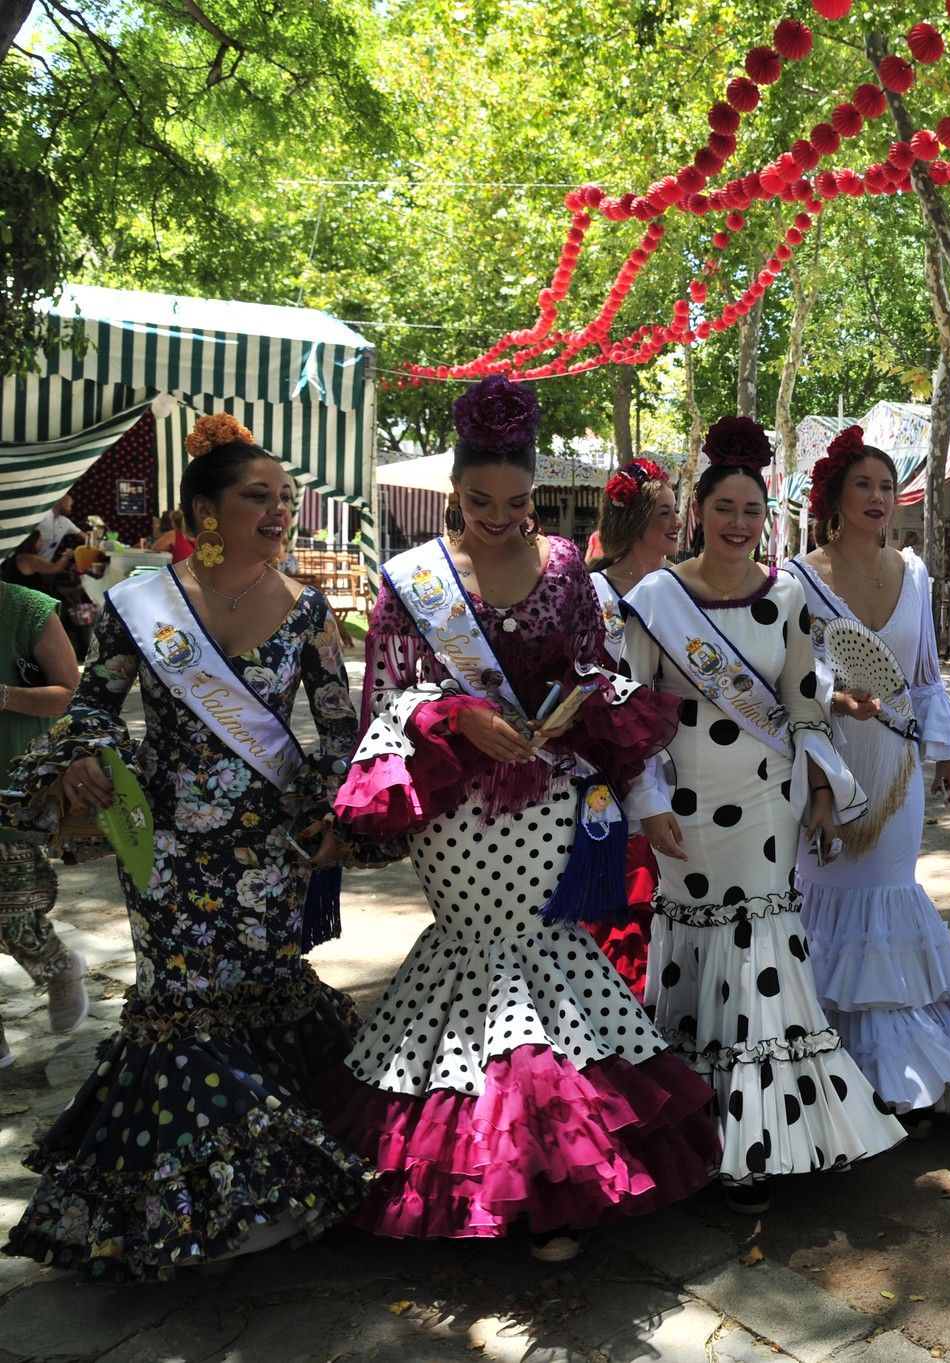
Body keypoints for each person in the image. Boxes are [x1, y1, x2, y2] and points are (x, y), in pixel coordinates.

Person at [317, 377, 719, 1263]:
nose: (499, 517)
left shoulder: (569, 568)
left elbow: (602, 666)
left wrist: (585, 705)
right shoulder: (409, 583)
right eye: (480, 501)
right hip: (456, 811)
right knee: (477, 953)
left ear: (537, 496)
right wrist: (456, 714)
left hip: (549, 796)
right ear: (455, 492)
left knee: (546, 954)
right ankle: (498, 1172)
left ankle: (555, 1180)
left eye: (518, 502)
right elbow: (384, 703)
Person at [0, 413, 371, 1281]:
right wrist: (85, 751)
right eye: (258, 498)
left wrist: (332, 815)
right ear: (205, 510)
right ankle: (196, 1210)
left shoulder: (309, 607)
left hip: (270, 853)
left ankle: (280, 1193)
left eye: (286, 497)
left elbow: (338, 726)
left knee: (263, 995)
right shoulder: (143, 604)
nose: (280, 511)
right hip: (165, 849)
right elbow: (94, 702)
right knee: (180, 1010)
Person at [621, 415, 903, 1215]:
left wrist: (820, 789)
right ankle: (707, 1129)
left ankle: (773, 1136)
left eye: (752, 511)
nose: (739, 524)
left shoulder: (785, 595)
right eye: (724, 509)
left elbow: (803, 705)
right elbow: (630, 715)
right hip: (685, 808)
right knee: (698, 946)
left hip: (769, 800)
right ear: (698, 511)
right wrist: (644, 806)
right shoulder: (654, 600)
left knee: (765, 949)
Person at [784, 426, 950, 1131]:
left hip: (898, 768)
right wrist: (831, 696)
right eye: (862, 484)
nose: (876, 497)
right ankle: (820, 1068)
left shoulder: (916, 574)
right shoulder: (795, 578)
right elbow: (787, 678)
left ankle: (905, 1074)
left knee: (890, 895)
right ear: (836, 495)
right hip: (823, 767)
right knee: (824, 893)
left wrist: (946, 749)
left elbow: (925, 674)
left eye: (886, 486)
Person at [584, 456, 685, 1001]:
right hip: (612, 762)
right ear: (633, 520)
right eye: (662, 512)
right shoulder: (593, 593)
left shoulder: (684, 587)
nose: (675, 522)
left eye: (676, 511)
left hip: (683, 759)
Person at [0, 580, 90, 1068]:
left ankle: (57, 967)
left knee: (13, 909)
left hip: (12, 789)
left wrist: (5, 696)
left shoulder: (24, 608)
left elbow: (70, 694)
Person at [35, 495, 83, 561]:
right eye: (69, 506)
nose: (70, 509)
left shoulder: (66, 522)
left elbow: (82, 534)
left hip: (46, 564)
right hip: (28, 563)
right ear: (63, 504)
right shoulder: (40, 516)